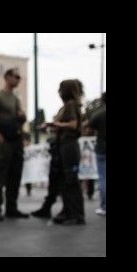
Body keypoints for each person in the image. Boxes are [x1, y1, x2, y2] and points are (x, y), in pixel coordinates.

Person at [0, 68, 29, 221]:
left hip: (16, 140)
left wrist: (23, 117)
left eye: (20, 77)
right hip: (4, 141)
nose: (18, 80)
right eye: (16, 77)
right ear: (7, 77)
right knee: (0, 176)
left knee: (15, 175)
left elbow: (21, 119)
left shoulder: (15, 99)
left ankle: (12, 207)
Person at [46, 79, 85, 225]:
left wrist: (56, 124)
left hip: (69, 145)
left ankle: (76, 214)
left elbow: (73, 124)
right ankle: (69, 211)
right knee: (66, 180)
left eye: (61, 89)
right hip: (65, 145)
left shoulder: (70, 105)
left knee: (71, 180)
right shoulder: (70, 105)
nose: (58, 92)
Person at [86, 92, 106, 216]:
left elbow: (89, 130)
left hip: (102, 148)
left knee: (103, 178)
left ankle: (104, 206)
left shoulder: (99, 114)